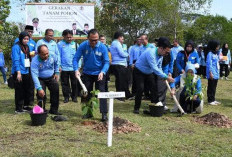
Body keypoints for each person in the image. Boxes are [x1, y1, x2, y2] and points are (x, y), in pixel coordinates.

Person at [73, 29, 109, 121]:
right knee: (86, 93)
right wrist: (76, 69)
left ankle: (104, 114)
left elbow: (106, 62)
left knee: (101, 93)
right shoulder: (83, 45)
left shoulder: (103, 47)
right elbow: (75, 58)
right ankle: (88, 112)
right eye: (92, 40)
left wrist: (103, 72)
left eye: (96, 40)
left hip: (99, 73)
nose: (94, 42)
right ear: (88, 38)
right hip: (87, 73)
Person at [133, 37, 174, 114]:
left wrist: (164, 76)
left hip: (149, 72)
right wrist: (165, 77)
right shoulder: (151, 53)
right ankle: (136, 108)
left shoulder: (161, 55)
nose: (167, 54)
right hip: (139, 71)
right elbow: (155, 68)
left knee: (154, 88)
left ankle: (156, 106)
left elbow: (159, 67)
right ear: (161, 48)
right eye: (166, 52)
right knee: (140, 89)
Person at [31, 44, 61, 115]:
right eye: (43, 54)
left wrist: (56, 72)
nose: (46, 56)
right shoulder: (35, 61)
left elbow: (57, 62)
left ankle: (54, 110)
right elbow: (34, 75)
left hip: (51, 77)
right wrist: (39, 88)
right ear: (38, 54)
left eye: (47, 53)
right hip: (40, 78)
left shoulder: (52, 55)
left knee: (56, 89)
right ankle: (41, 111)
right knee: (41, 94)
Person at [11, 32, 34, 113]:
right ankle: (18, 108)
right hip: (19, 72)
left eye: (27, 39)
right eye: (24, 39)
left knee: (26, 89)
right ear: (21, 38)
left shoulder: (27, 47)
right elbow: (16, 60)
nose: (26, 41)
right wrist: (18, 72)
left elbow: (27, 57)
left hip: (26, 71)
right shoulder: (16, 47)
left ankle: (25, 105)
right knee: (19, 91)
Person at [58, 29, 79, 103]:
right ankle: (66, 97)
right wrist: (59, 65)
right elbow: (58, 56)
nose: (69, 39)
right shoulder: (60, 44)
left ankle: (74, 97)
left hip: (74, 68)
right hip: (64, 68)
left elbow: (79, 57)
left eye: (71, 37)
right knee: (65, 83)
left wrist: (78, 66)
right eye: (68, 37)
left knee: (75, 83)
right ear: (64, 37)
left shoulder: (76, 45)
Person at [110, 32, 131, 100]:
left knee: (123, 80)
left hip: (119, 64)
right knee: (120, 81)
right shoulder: (117, 43)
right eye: (122, 38)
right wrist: (127, 54)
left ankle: (126, 94)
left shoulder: (114, 43)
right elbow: (122, 53)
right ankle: (119, 96)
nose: (123, 40)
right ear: (119, 37)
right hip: (118, 64)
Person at [157, 46, 174, 111]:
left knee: (164, 88)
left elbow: (171, 62)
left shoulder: (170, 52)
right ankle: (158, 103)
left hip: (166, 72)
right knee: (159, 88)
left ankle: (163, 104)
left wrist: (170, 71)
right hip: (159, 72)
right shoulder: (159, 52)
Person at [206, 40, 221, 105]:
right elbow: (209, 64)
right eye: (217, 46)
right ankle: (210, 100)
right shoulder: (210, 54)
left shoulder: (216, 53)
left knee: (214, 86)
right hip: (212, 73)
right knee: (211, 86)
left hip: (216, 72)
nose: (218, 47)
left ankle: (213, 99)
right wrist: (210, 73)